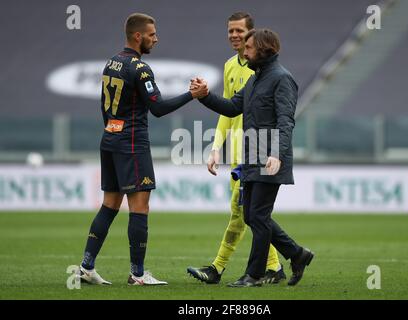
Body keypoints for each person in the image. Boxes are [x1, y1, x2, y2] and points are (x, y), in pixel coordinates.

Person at [77, 13, 204, 286]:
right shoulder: (140, 68)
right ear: (138, 36)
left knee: (110, 204)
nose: (156, 38)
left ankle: (86, 267)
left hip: (110, 138)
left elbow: (103, 105)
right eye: (152, 34)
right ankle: (137, 274)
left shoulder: (111, 63)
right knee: (140, 207)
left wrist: (113, 128)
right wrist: (191, 95)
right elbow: (158, 108)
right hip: (132, 143)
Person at [190, 29, 314, 287]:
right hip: (252, 156)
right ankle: (297, 254)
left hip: (269, 157)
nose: (244, 52)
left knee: (257, 215)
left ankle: (254, 275)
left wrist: (276, 154)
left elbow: (286, 121)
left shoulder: (282, 79)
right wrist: (204, 96)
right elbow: (233, 107)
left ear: (264, 49)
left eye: (249, 47)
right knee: (252, 216)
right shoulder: (255, 80)